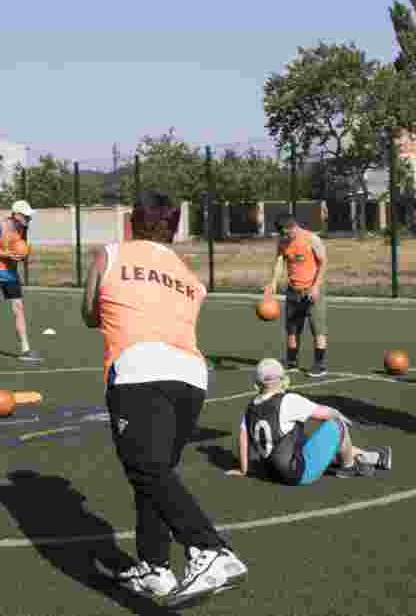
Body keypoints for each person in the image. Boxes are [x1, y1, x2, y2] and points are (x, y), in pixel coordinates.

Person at [83, 191, 247, 607]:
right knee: (157, 475)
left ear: (131, 222)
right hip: (190, 377)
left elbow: (89, 313)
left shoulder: (112, 253)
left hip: (139, 370)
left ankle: (209, 550)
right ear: (173, 229)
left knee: (146, 469)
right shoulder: (188, 276)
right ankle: (154, 567)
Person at [225, 358, 392, 483]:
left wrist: (244, 470)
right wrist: (341, 416)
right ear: (282, 379)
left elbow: (243, 439)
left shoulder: (250, 407)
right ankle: (349, 467)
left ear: (257, 384)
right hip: (297, 472)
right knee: (336, 425)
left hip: (271, 472)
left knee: (307, 441)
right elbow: (327, 414)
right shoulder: (288, 400)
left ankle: (373, 457)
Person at [0, 199, 41, 366]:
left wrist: (23, 255)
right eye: (26, 216)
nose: (29, 218)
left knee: (19, 308)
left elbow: (21, 248)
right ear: (17, 215)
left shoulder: (23, 228)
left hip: (11, 274)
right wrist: (5, 255)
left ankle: (26, 350)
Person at [268, 214, 329, 377]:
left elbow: (323, 263)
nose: (284, 237)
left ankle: (320, 365)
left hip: (312, 290)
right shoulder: (283, 241)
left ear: (293, 227)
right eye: (282, 234)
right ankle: (292, 362)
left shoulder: (311, 239)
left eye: (286, 233)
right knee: (292, 329)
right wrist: (273, 282)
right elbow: (279, 262)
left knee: (318, 329)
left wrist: (316, 286)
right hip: (293, 291)